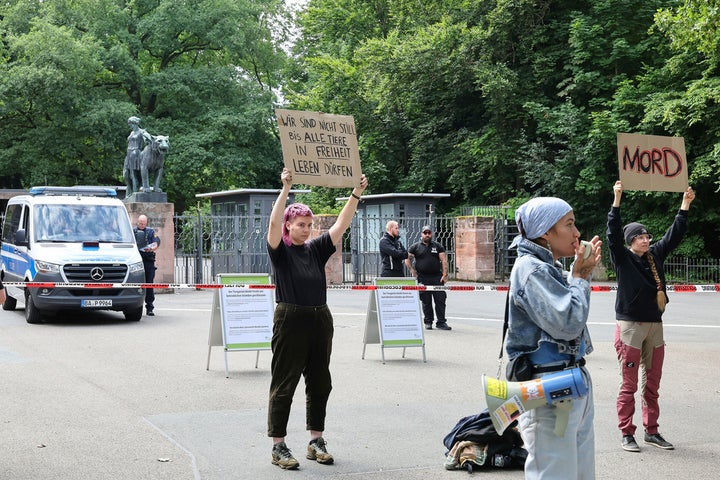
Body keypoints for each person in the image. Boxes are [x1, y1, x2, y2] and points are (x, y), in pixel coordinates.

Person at [266, 167, 368, 470]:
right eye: (300, 224)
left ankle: (315, 441)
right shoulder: (280, 251)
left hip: (319, 319)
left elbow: (341, 224)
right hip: (290, 318)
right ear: (289, 226)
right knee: (284, 383)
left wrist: (356, 194)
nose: (307, 229)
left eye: (309, 224)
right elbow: (272, 222)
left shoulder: (315, 249)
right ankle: (278, 446)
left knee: (320, 382)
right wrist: (285, 189)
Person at [505, 197, 601, 480]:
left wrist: (577, 275)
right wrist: (581, 278)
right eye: (569, 224)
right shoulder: (532, 269)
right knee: (555, 473)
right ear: (546, 232)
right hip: (550, 391)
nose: (577, 233)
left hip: (568, 384)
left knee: (578, 472)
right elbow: (568, 323)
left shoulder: (549, 267)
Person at [607, 180, 695, 453]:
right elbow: (611, 233)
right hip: (631, 327)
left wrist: (685, 204)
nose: (646, 240)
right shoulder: (622, 258)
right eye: (640, 237)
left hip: (655, 327)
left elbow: (675, 234)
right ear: (630, 241)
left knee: (652, 385)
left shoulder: (655, 255)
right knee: (629, 385)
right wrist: (617, 199)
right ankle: (626, 433)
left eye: (646, 236)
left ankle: (652, 431)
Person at [405, 225, 451, 330]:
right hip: (423, 278)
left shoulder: (438, 246)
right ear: (421, 234)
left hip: (437, 277)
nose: (427, 235)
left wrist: (445, 274)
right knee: (426, 301)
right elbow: (407, 259)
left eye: (429, 233)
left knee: (440, 300)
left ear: (432, 234)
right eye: (425, 233)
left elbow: (444, 260)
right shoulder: (415, 247)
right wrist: (412, 271)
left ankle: (441, 322)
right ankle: (428, 321)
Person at [134, 214, 160, 316]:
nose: (142, 225)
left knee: (149, 284)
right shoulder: (133, 232)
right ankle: (135, 306)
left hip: (148, 261)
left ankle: (150, 307)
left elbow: (156, 241)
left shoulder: (150, 231)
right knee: (134, 284)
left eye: (144, 224)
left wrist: (152, 247)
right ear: (138, 222)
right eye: (141, 223)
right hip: (137, 260)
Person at [124, 116, 152, 196]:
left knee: (134, 174)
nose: (130, 126)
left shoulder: (141, 132)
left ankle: (134, 193)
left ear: (135, 123)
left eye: (131, 124)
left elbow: (147, 137)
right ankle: (131, 191)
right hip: (129, 153)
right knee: (126, 174)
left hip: (135, 153)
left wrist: (148, 139)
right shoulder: (132, 133)